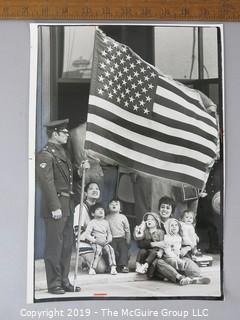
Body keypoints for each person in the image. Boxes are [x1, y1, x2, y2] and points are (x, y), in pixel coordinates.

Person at [36, 119, 81, 294]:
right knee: (54, 246)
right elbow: (47, 184)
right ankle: (54, 283)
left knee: (67, 245)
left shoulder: (61, 152)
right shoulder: (46, 154)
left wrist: (79, 171)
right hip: (56, 205)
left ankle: (64, 281)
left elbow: (66, 177)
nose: (68, 135)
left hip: (67, 204)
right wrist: (55, 207)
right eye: (64, 132)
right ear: (54, 133)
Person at [146, 196, 209, 285]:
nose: (165, 210)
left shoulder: (177, 224)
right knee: (160, 264)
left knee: (193, 268)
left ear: (172, 211)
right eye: (162, 207)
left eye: (168, 208)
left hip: (177, 256)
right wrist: (157, 244)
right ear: (159, 208)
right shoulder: (153, 223)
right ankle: (180, 278)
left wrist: (186, 248)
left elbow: (187, 239)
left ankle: (194, 278)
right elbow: (143, 242)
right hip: (162, 258)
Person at [160, 218, 209, 284]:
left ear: (179, 227)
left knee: (189, 263)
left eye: (176, 225)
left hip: (178, 257)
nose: (174, 227)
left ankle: (194, 278)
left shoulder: (179, 237)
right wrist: (178, 259)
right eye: (171, 225)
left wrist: (193, 239)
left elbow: (188, 242)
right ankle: (184, 277)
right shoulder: (166, 237)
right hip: (168, 257)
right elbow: (168, 251)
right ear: (168, 227)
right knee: (174, 261)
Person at [73, 181, 107, 273]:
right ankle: (83, 259)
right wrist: (95, 240)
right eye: (91, 188)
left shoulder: (99, 208)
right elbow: (77, 232)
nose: (95, 190)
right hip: (85, 242)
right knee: (101, 268)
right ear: (85, 193)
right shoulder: (80, 208)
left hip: (98, 243)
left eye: (97, 189)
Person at [84, 203, 117, 275]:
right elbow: (87, 235)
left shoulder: (106, 222)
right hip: (96, 242)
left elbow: (109, 234)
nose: (100, 211)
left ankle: (113, 267)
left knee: (111, 249)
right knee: (98, 251)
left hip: (104, 241)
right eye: (98, 209)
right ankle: (92, 268)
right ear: (93, 213)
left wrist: (108, 240)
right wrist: (95, 240)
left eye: (102, 210)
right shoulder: (92, 222)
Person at [106, 199, 131, 273]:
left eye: (116, 204)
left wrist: (128, 241)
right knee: (111, 250)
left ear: (120, 209)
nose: (114, 205)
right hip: (111, 238)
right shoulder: (106, 217)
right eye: (112, 204)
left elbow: (127, 230)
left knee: (124, 249)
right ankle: (111, 265)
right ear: (108, 207)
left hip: (121, 238)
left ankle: (124, 265)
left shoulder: (123, 217)